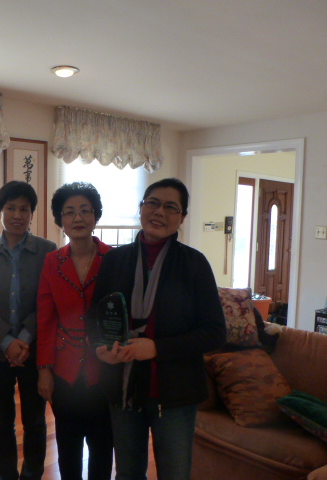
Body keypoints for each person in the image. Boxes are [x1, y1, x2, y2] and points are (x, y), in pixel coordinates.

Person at [89, 178, 226, 480]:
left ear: (182, 217)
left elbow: (215, 332)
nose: (159, 212)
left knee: (174, 474)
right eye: (152, 203)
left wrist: (156, 348)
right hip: (124, 389)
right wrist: (100, 348)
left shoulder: (194, 264)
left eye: (170, 207)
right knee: (127, 472)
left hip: (175, 393)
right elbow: (96, 317)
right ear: (141, 208)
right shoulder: (115, 260)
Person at [0, 181, 57, 480]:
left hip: (34, 352)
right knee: (1, 421)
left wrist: (23, 339)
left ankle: (32, 474)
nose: (17, 215)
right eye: (10, 208)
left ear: (32, 213)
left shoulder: (47, 250)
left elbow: (47, 302)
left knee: (35, 420)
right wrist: (7, 341)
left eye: (24, 209)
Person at [37, 182, 114, 480]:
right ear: (61, 219)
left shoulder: (114, 259)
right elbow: (46, 319)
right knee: (68, 448)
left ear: (95, 216)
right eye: (69, 212)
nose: (78, 218)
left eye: (85, 210)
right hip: (65, 368)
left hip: (104, 367)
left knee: (102, 446)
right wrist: (44, 370)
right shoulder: (52, 261)